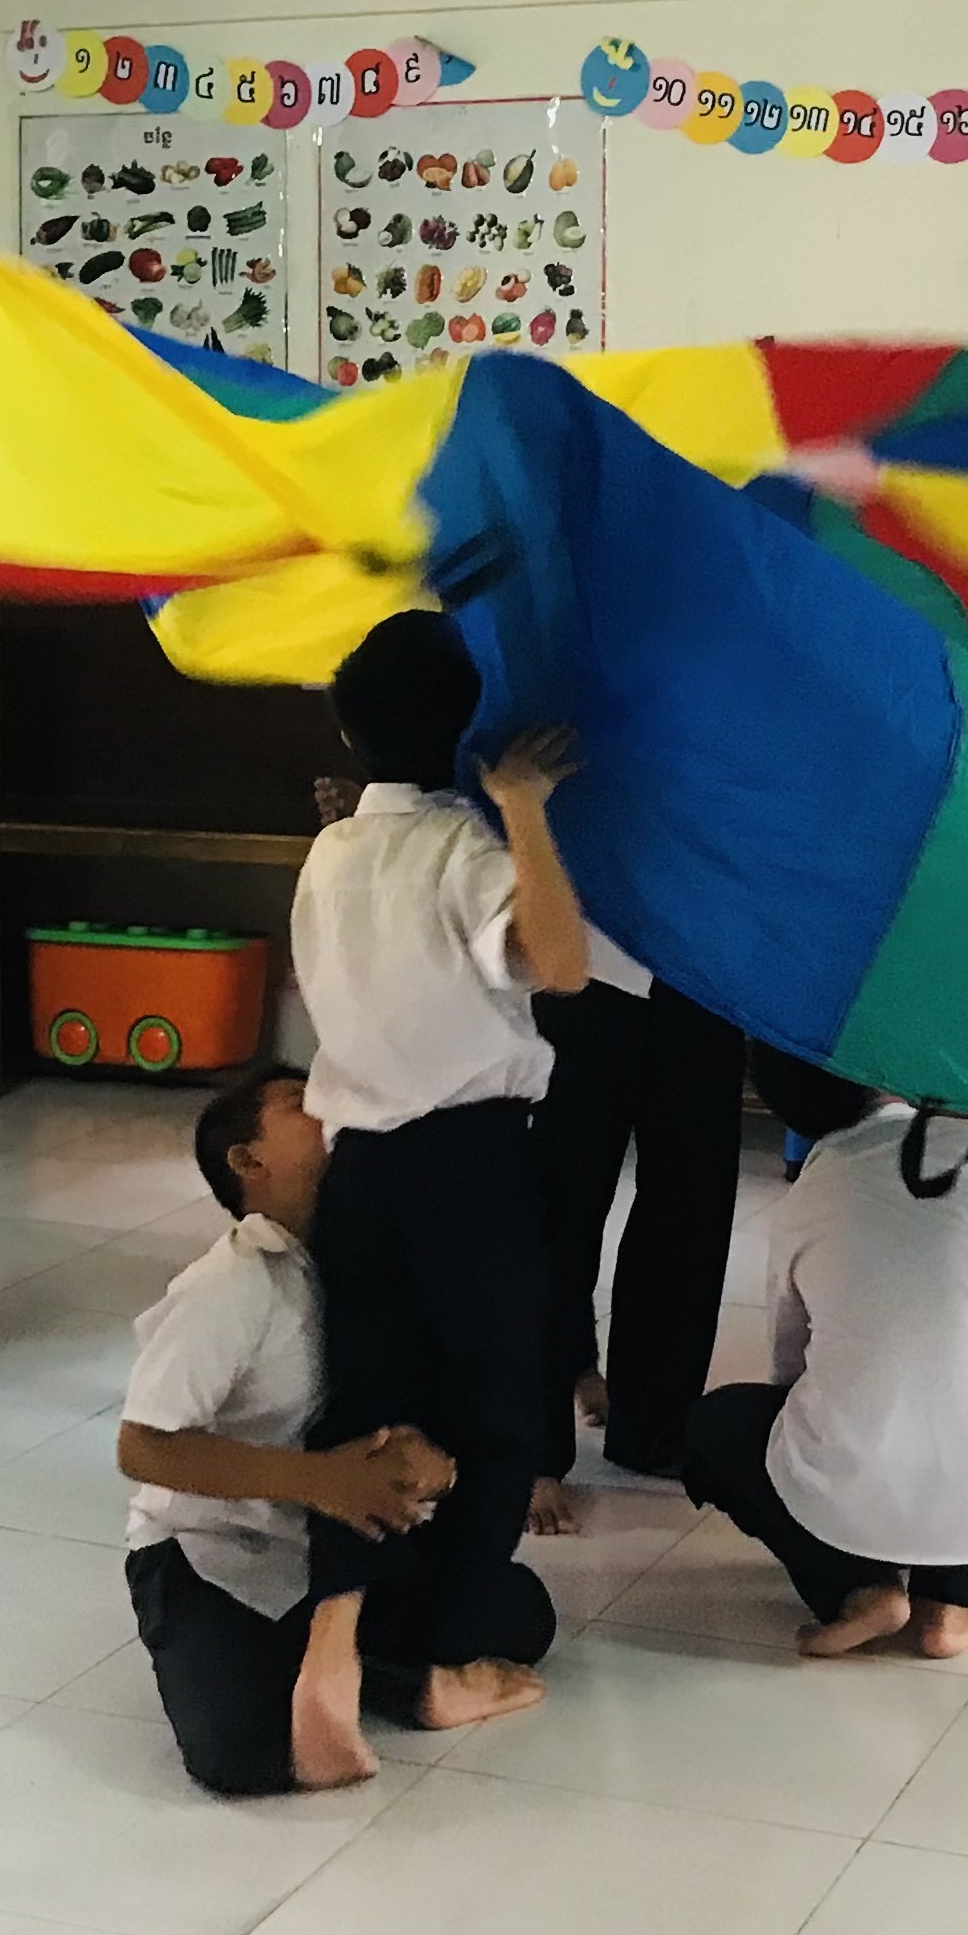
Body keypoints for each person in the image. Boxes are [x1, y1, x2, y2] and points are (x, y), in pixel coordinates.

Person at [283, 608, 585, 1787]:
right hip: (468, 1167)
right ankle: (452, 1659)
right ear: (472, 732)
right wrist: (523, 810)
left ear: (347, 730)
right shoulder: (469, 850)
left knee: (366, 1411)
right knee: (494, 1408)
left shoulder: (331, 850)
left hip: (359, 1170)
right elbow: (556, 965)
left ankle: (356, 1639)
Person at [685, 1048, 968, 1658]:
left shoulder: (816, 1182)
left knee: (715, 1425)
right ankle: (951, 1610)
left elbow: (789, 1368)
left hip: (847, 1512)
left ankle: (861, 1592)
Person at [118, 1066, 458, 1793]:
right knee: (239, 1753)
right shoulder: (230, 1284)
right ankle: (387, 1682)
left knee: (518, 1621)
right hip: (207, 1552)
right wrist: (322, 1482)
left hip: (320, 1549)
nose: (331, 1108)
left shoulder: (354, 1265)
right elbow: (143, 1446)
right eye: (302, 1105)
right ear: (248, 1161)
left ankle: (368, 1672)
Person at [526, 945, 748, 1528]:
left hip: (706, 970)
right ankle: (532, 1444)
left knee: (690, 1209)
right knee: (559, 1206)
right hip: (589, 962)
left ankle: (654, 1424)